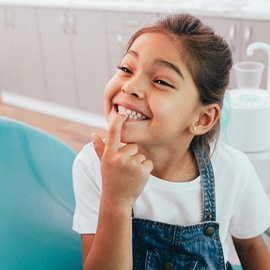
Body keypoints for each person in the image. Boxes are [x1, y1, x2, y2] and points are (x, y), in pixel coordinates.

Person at [72, 13, 270, 269]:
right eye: (126, 68)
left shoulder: (234, 171)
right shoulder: (91, 166)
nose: (130, 86)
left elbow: (253, 247)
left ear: (202, 118)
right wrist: (116, 200)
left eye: (161, 81)